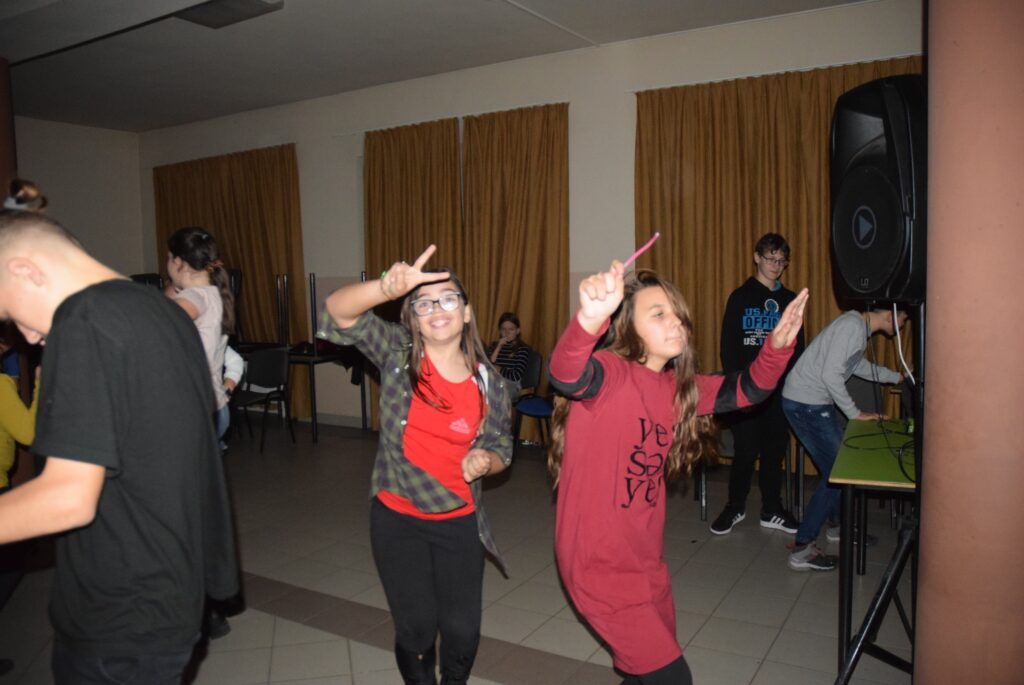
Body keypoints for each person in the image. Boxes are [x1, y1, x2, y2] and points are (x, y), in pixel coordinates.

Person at [0, 211, 238, 684]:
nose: (25, 337)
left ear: (24, 270)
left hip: (118, 616)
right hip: (170, 595)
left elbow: (67, 497)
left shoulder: (83, 320)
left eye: (9, 312)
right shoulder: (158, 312)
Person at [547, 262, 807, 684]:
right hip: (597, 564)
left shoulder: (678, 389)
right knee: (672, 676)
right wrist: (589, 320)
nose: (676, 322)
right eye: (658, 313)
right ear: (628, 327)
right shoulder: (611, 373)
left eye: (678, 314)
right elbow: (566, 372)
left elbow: (750, 389)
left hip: (646, 564)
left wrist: (777, 346)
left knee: (641, 673)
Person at [318, 245, 513, 685]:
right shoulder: (396, 354)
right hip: (397, 518)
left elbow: (503, 446)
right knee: (416, 629)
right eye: (424, 303)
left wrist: (488, 460)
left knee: (462, 631)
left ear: (467, 313)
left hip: (459, 520)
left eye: (448, 299)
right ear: (413, 319)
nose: (437, 309)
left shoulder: (492, 385)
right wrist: (386, 288)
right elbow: (335, 312)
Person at [782, 308, 907, 571]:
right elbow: (831, 375)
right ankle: (803, 547)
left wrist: (896, 377)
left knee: (839, 471)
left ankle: (839, 526)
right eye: (903, 318)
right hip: (807, 405)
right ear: (890, 314)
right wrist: (855, 413)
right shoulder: (852, 326)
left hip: (808, 402)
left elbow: (856, 366)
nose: (904, 324)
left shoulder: (857, 328)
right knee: (838, 474)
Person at [711, 233, 803, 535]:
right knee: (746, 450)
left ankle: (771, 509)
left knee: (774, 451)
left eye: (781, 261)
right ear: (756, 258)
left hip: (778, 392)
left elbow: (797, 348)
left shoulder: (789, 300)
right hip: (746, 390)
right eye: (770, 259)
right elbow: (729, 348)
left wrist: (789, 388)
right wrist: (741, 390)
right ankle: (735, 506)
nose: (776, 265)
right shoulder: (740, 297)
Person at [165, 227, 236, 446]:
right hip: (214, 406)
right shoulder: (213, 293)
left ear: (179, 262)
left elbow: (160, 322)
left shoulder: (194, 297)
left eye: (168, 258)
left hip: (197, 410)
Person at [487, 312, 532, 397]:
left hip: (511, 384)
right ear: (500, 331)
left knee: (493, 391)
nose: (507, 333)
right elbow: (487, 366)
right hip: (493, 380)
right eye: (503, 329)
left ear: (517, 331)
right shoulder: (494, 346)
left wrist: (499, 369)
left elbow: (516, 376)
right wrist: (498, 347)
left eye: (511, 329)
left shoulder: (522, 348)